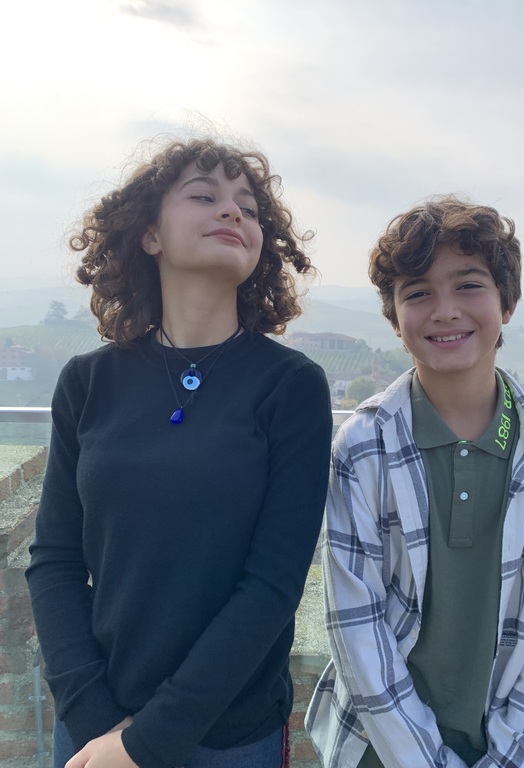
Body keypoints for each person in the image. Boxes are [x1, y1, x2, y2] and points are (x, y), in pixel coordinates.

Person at [26, 136, 333, 768]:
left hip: (229, 738)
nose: (233, 212)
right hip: (94, 733)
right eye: (205, 196)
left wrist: (147, 741)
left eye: (247, 207)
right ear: (149, 236)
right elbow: (54, 559)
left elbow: (272, 585)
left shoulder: (291, 386)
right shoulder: (87, 382)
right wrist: (97, 723)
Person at [306, 195, 524, 767]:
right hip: (379, 752)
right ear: (395, 319)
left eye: (469, 285)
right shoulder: (363, 447)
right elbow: (358, 634)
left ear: (507, 303)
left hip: (521, 753)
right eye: (418, 292)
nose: (445, 310)